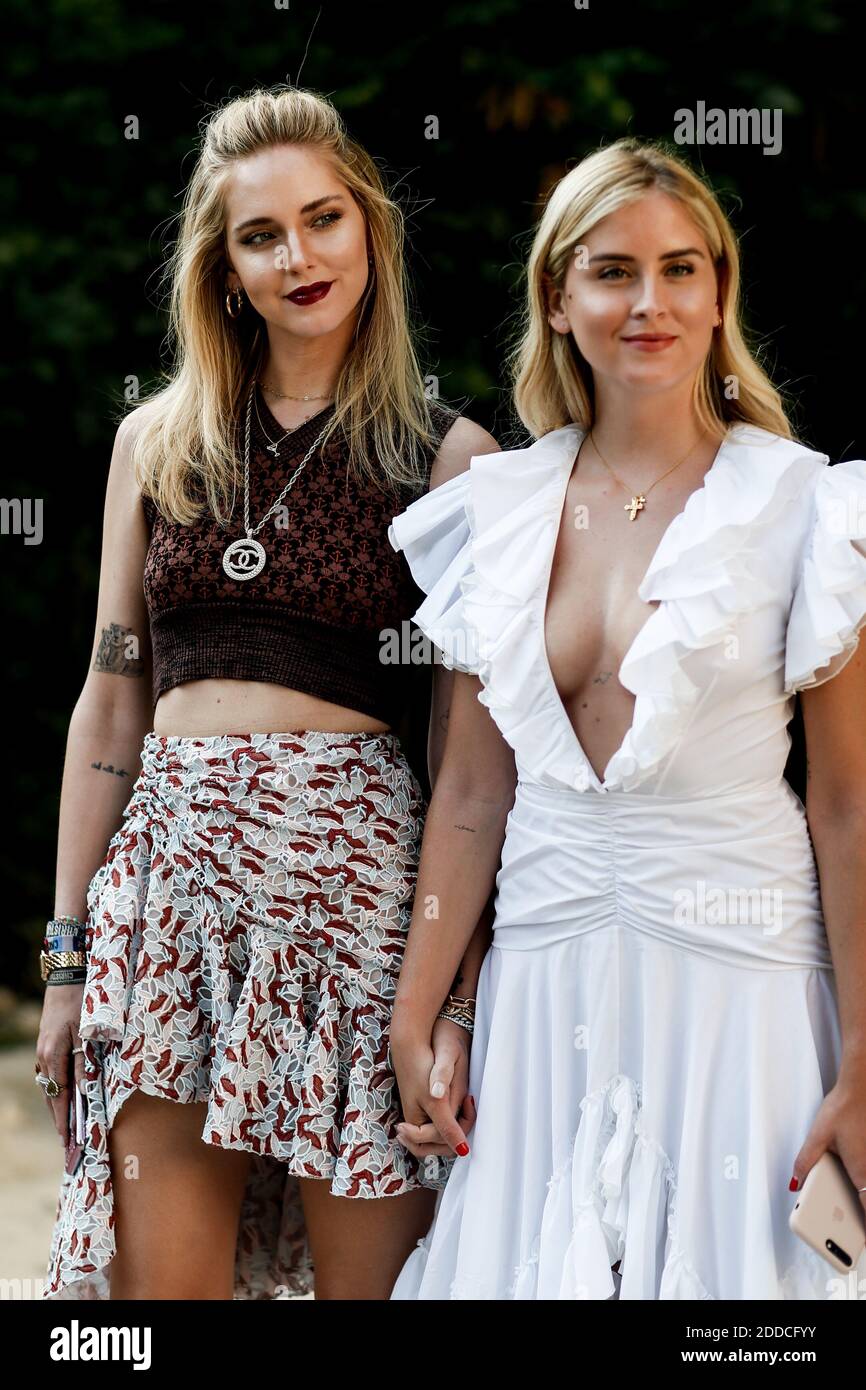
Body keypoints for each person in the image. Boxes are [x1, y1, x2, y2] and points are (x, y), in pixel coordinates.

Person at [37, 83, 498, 1301]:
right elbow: (110, 703)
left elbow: (469, 763)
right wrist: (70, 957)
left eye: (324, 218)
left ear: (369, 231)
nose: (299, 255)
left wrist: (445, 998)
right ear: (223, 267)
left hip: (357, 917)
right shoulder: (156, 441)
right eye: (260, 234)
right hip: (168, 905)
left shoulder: (450, 462)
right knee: (155, 1304)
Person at [386, 137, 866, 1299]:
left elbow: (845, 803)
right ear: (557, 297)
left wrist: (860, 1056)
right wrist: (420, 1010)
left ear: (717, 297)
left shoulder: (805, 504)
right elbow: (469, 790)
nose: (647, 301)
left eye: (679, 270)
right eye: (610, 271)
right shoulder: (490, 510)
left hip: (738, 977)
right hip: (543, 981)